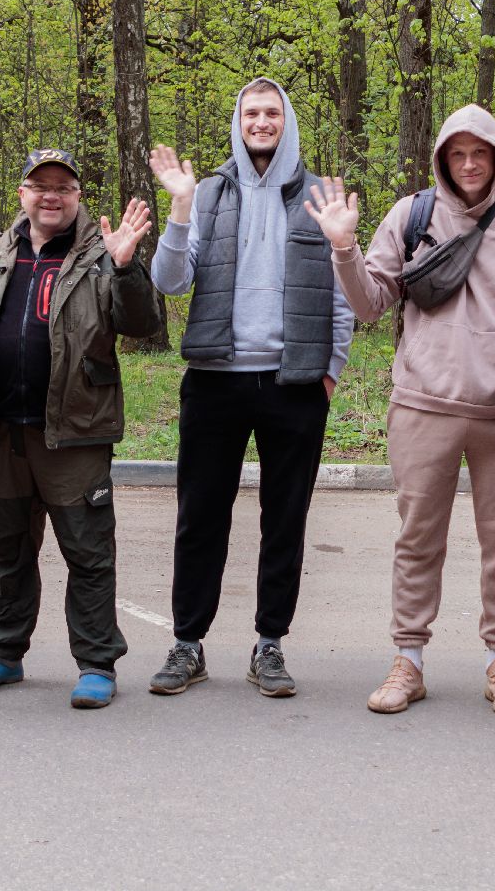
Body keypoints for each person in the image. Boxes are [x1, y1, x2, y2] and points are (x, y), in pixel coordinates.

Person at [304, 103, 495, 717]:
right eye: (457, 154)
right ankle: (409, 659)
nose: (469, 165)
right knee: (419, 538)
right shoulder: (412, 214)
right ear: (442, 158)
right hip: (423, 404)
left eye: (480, 154)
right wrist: (343, 247)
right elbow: (369, 305)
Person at [147, 78, 353, 698]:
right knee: (200, 516)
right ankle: (188, 642)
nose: (261, 122)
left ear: (287, 122)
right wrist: (179, 209)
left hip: (294, 384)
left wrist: (330, 371)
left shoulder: (321, 196)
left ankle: (270, 643)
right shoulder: (206, 192)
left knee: (284, 518)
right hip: (215, 380)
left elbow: (342, 295)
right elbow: (168, 281)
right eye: (251, 113)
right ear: (237, 122)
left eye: (272, 113)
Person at [0, 149, 159, 710]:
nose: (51, 195)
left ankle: (96, 663)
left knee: (88, 553)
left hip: (76, 431)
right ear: (22, 193)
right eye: (39, 185)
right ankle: (5, 653)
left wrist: (125, 267)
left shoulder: (100, 253)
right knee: (10, 549)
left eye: (63, 187)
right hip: (8, 430)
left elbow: (143, 325)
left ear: (77, 196)